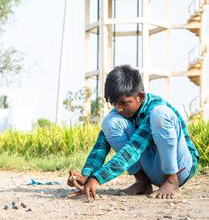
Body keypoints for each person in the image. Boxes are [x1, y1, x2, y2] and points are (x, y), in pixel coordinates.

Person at [68, 65, 199, 201]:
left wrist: (97, 179)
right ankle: (142, 182)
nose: (119, 109)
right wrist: (87, 175)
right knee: (109, 122)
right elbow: (101, 146)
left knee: (160, 114)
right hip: (153, 169)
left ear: (140, 96)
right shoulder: (120, 112)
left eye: (125, 103)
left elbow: (132, 150)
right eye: (115, 104)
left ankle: (171, 181)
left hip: (180, 167)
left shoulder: (155, 106)